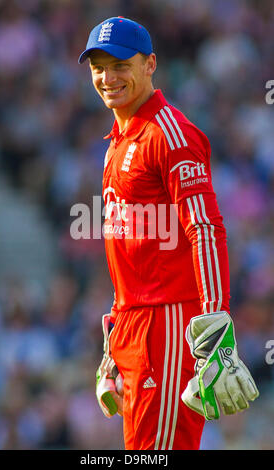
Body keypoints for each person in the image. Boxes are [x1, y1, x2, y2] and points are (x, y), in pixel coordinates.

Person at [78, 16, 259, 450]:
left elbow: (205, 227)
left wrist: (215, 322)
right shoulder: (119, 138)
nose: (108, 77)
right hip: (137, 323)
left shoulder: (169, 134)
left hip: (169, 322)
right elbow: (133, 245)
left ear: (150, 64)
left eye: (121, 64)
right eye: (98, 66)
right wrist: (118, 328)